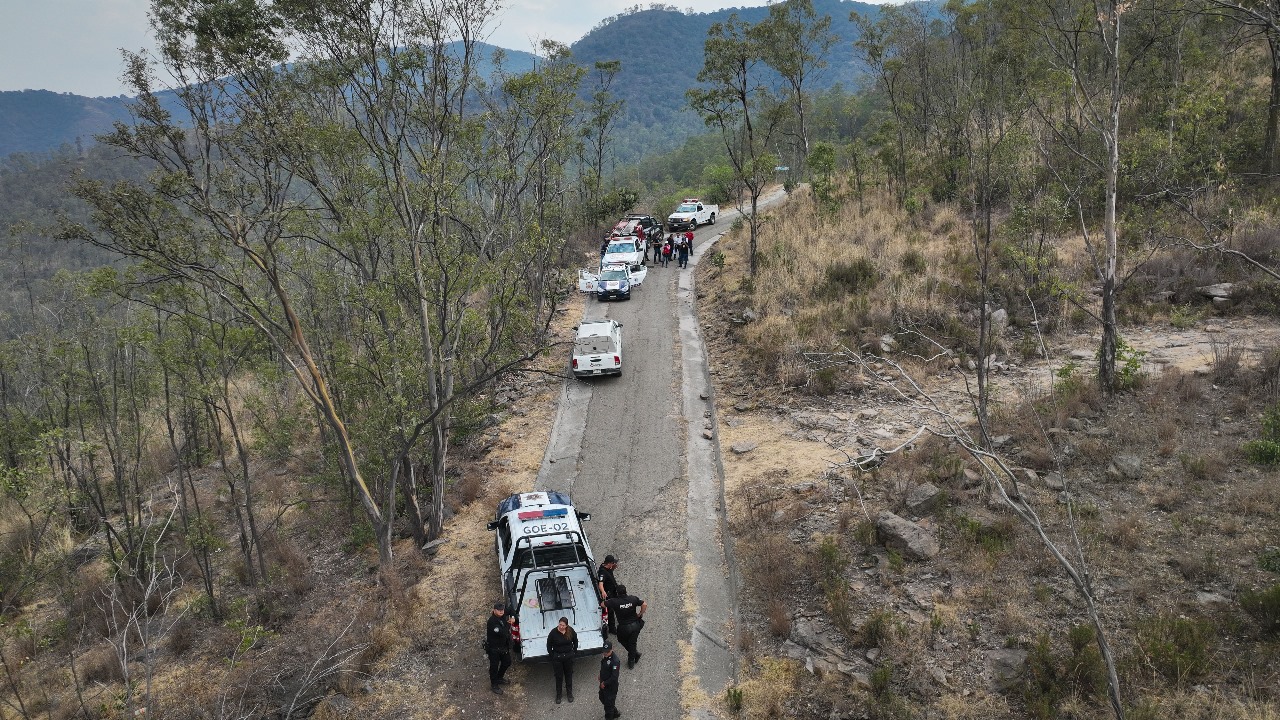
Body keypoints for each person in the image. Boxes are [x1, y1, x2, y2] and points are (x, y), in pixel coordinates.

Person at [605, 585, 647, 668]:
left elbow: (603, 604)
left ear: (617, 593)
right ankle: (633, 657)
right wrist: (640, 614)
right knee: (632, 643)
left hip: (624, 627)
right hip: (636, 625)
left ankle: (633, 658)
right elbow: (644, 604)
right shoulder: (633, 598)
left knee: (621, 639)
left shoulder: (614, 601)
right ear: (625, 591)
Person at [546, 616, 578, 704]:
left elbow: (575, 641)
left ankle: (569, 694)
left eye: (563, 625)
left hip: (568, 657)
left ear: (566, 626)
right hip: (558, 658)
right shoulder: (553, 632)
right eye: (560, 624)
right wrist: (552, 655)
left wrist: (573, 653)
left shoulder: (570, 631)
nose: (561, 627)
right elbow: (549, 645)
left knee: (569, 675)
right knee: (559, 677)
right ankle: (559, 695)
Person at [485, 601, 514, 694]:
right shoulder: (492, 622)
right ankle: (494, 685)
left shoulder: (502, 615)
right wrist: (510, 623)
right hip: (494, 649)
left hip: (503, 646)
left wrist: (513, 616)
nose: (502, 612)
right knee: (494, 667)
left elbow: (511, 609)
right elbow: (503, 632)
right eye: (499, 610)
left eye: (502, 610)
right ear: (494, 610)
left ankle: (499, 678)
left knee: (507, 662)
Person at [598, 641, 621, 719]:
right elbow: (604, 667)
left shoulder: (615, 661)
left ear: (612, 649)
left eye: (607, 652)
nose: (605, 653)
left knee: (608, 709)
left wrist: (605, 683)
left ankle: (611, 714)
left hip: (610, 687)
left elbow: (614, 677)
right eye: (604, 651)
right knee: (602, 698)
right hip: (603, 683)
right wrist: (600, 675)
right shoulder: (605, 656)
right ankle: (614, 712)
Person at [598, 555, 620, 636]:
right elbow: (600, 584)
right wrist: (603, 592)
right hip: (609, 594)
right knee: (610, 611)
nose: (614, 564)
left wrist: (613, 567)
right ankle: (612, 629)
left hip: (614, 592)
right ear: (609, 563)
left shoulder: (608, 568)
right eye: (613, 563)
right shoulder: (602, 572)